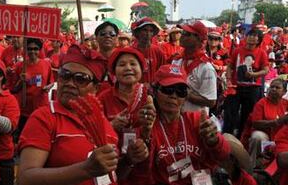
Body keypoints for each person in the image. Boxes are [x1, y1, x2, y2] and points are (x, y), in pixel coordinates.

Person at [17, 45, 148, 185]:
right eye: (64, 75)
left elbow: (110, 175)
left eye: (81, 79)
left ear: (96, 88)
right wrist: (86, 169)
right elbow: (26, 178)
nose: (70, 84)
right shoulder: (45, 117)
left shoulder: (102, 123)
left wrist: (128, 160)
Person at [149, 64, 230, 185]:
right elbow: (143, 172)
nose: (173, 96)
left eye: (180, 91)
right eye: (167, 90)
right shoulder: (150, 126)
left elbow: (223, 155)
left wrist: (215, 141)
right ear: (155, 91)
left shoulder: (197, 120)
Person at [98, 47, 155, 185]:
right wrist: (111, 126)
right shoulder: (103, 98)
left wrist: (148, 128)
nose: (128, 68)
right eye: (122, 65)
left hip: (145, 165)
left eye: (133, 64)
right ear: (114, 72)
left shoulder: (151, 95)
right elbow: (94, 134)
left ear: (141, 70)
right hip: (114, 165)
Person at [225, 28, 269, 137]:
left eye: (255, 36)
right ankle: (226, 137)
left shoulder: (262, 53)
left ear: (259, 40)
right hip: (236, 87)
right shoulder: (237, 50)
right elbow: (230, 66)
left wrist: (254, 75)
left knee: (247, 115)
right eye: (250, 35)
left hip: (253, 88)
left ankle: (242, 138)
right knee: (230, 113)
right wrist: (228, 78)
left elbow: (266, 70)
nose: (252, 37)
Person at [172, 21, 217, 113]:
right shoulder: (177, 60)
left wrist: (185, 93)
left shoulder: (206, 68)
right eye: (183, 33)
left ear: (199, 39)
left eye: (187, 34)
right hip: (176, 118)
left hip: (196, 122)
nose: (182, 36)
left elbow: (211, 101)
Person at [13, 38, 53, 135]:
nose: (33, 51)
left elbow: (51, 82)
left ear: (39, 50)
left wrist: (48, 87)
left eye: (35, 49)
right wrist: (20, 81)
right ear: (26, 50)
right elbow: (13, 89)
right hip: (24, 109)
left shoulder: (46, 64)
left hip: (41, 107)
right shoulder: (20, 66)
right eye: (30, 49)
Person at [245, 78, 288, 167]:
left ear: (284, 92)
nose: (273, 89)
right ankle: (250, 167)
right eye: (272, 87)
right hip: (266, 136)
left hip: (281, 137)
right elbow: (255, 123)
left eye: (277, 87)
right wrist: (275, 122)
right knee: (257, 136)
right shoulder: (261, 103)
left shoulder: (286, 103)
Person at [131, 17, 165, 85]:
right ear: (138, 32)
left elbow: (162, 72)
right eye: (145, 30)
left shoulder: (158, 51)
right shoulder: (130, 51)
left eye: (151, 31)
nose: (148, 33)